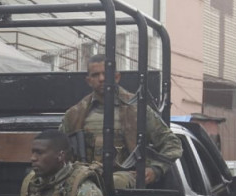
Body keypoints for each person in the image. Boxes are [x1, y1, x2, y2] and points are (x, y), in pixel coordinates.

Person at [60, 54, 183, 189]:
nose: (101, 79)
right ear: (88, 80)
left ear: (117, 77)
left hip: (125, 179)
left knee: (114, 182)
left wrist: (155, 170)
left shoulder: (137, 109)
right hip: (84, 178)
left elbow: (172, 143)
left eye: (106, 74)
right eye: (95, 75)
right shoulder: (74, 114)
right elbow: (57, 149)